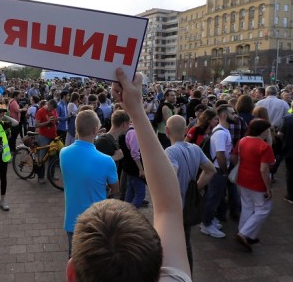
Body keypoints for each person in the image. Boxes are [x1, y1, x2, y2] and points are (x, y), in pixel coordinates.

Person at [67, 68, 191, 282]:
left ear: (71, 274)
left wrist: (135, 112)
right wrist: (137, 111)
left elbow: (168, 209)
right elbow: (168, 208)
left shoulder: (65, 153)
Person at [61, 109, 119, 257]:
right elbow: (116, 189)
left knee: (74, 261)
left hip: (72, 221)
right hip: (96, 222)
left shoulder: (63, 153)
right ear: (95, 130)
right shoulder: (106, 160)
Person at [165, 115, 216, 271]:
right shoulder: (195, 148)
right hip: (190, 203)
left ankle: (180, 273)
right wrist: (196, 187)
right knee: (185, 241)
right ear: (186, 130)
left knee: (175, 243)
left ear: (167, 131)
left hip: (175, 207)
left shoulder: (170, 152)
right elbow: (211, 170)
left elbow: (171, 177)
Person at [231, 119, 275, 252]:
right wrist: (268, 187)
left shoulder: (243, 141)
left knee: (247, 207)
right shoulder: (264, 146)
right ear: (264, 131)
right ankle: (245, 233)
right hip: (257, 182)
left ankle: (245, 232)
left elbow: (233, 158)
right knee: (263, 209)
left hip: (242, 178)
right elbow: (264, 169)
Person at [200, 105, 236, 239]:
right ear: (224, 115)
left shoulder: (221, 130)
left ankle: (208, 219)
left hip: (217, 169)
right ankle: (207, 224)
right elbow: (220, 155)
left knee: (214, 196)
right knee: (213, 197)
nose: (235, 115)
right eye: (232, 113)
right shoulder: (221, 133)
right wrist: (225, 171)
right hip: (218, 170)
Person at [34, 99, 58, 184]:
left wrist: (55, 120)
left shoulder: (54, 110)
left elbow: (56, 121)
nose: (52, 110)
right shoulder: (40, 111)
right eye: (51, 108)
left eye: (53, 109)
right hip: (43, 136)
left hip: (53, 136)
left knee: (53, 155)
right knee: (42, 157)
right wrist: (47, 121)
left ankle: (51, 175)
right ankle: (40, 176)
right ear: (48, 104)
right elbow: (36, 124)